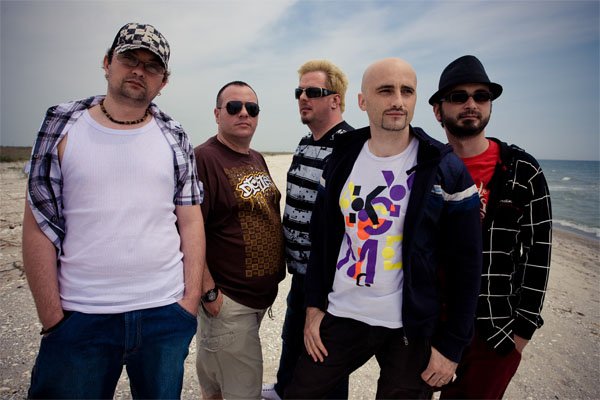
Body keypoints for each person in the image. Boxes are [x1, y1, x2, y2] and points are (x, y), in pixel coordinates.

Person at [22, 22, 205, 399]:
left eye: (152, 66)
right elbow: (37, 224)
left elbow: (190, 220)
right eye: (129, 58)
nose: (139, 70)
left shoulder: (174, 136)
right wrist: (52, 317)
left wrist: (187, 304)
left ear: (163, 81)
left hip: (163, 313)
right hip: (80, 315)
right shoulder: (62, 127)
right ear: (107, 62)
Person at [284, 57, 483, 399]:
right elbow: (323, 239)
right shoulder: (341, 159)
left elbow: (467, 264)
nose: (398, 101)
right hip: (342, 313)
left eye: (407, 91)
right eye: (386, 90)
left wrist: (452, 345)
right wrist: (314, 306)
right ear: (363, 101)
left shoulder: (444, 167)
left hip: (410, 326)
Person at [429, 55, 553, 399]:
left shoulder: (522, 170)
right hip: (431, 323)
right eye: (459, 96)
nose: (471, 104)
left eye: (481, 96)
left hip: (495, 329)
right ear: (438, 110)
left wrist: (522, 332)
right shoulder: (426, 168)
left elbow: (538, 253)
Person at [262, 60, 353, 400]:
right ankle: (283, 389)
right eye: (299, 92)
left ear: (335, 100)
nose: (303, 98)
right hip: (299, 273)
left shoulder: (350, 146)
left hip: (330, 278)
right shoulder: (304, 143)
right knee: (292, 337)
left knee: (324, 353)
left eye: (313, 92)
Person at [194, 81, 286, 400]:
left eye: (252, 108)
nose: (244, 113)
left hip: (255, 300)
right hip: (228, 301)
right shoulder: (204, 159)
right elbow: (189, 231)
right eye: (234, 107)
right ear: (217, 114)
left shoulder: (255, 157)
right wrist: (208, 292)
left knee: (218, 388)